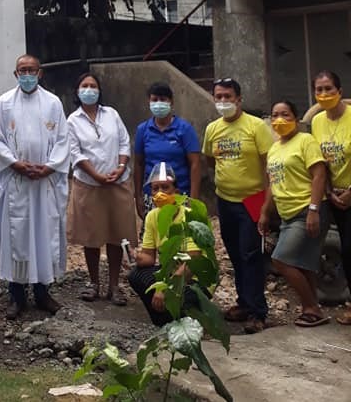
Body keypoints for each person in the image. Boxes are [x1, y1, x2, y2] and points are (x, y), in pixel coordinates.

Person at [0, 54, 70, 320]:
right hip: (17, 181)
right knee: (16, 236)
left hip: (43, 182)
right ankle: (17, 295)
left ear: (40, 73)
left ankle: (43, 292)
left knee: (44, 235)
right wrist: (15, 164)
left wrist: (50, 167)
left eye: (32, 70)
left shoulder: (53, 103)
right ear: (16, 73)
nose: (27, 74)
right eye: (22, 70)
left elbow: (63, 139)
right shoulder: (4, 103)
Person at [202, 78, 273, 334]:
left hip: (252, 199)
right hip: (225, 199)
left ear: (239, 99)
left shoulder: (256, 127)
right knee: (234, 253)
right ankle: (244, 302)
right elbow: (211, 161)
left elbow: (269, 165)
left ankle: (258, 312)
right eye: (218, 97)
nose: (223, 102)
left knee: (251, 254)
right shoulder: (212, 129)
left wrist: (266, 205)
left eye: (228, 96)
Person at [66, 72, 136, 305]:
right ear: (77, 91)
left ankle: (114, 285)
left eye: (93, 85)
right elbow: (75, 153)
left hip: (118, 182)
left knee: (117, 235)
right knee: (91, 236)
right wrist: (96, 174)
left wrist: (120, 166)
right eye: (84, 85)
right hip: (88, 184)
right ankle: (94, 282)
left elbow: (125, 142)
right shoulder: (72, 121)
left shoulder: (112, 114)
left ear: (99, 90)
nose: (89, 89)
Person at [259, 100, 330, 327]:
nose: (279, 120)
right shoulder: (274, 148)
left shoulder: (305, 141)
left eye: (285, 115)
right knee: (303, 263)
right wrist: (264, 212)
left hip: (306, 209)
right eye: (275, 115)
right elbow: (272, 183)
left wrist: (313, 210)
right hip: (286, 213)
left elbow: (319, 175)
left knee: (281, 260)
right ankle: (315, 309)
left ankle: (310, 307)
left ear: (297, 119)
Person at [127, 163, 208, 326]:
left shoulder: (191, 216)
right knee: (136, 275)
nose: (159, 193)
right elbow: (149, 258)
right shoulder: (152, 216)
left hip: (195, 278)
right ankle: (162, 322)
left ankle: (188, 316)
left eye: (165, 188)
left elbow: (192, 263)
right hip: (170, 273)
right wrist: (135, 255)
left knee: (179, 295)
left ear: (176, 192)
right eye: (155, 189)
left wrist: (164, 288)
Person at [310, 70, 351, 325]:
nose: (324, 94)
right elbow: (318, 162)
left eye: (328, 89)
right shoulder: (316, 122)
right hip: (332, 195)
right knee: (346, 251)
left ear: (340, 92)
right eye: (319, 90)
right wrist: (326, 191)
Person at [134, 82, 201, 219]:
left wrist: (193, 200)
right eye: (155, 100)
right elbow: (138, 164)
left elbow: (195, 164)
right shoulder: (143, 130)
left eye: (163, 99)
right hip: (152, 196)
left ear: (171, 102)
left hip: (180, 194)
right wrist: (138, 196)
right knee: (154, 235)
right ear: (149, 102)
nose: (158, 103)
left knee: (179, 235)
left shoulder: (184, 129)